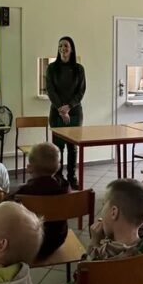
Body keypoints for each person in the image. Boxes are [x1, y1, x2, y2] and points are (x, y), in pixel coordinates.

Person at [10, 142, 70, 259]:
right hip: (58, 239)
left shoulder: (24, 192)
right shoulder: (65, 187)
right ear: (58, 167)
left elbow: (6, 205)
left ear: (29, 168)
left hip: (30, 243)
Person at [46, 36, 87, 188]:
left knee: (72, 146)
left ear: (71, 49)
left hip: (75, 112)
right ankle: (58, 176)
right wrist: (61, 109)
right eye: (60, 46)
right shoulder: (51, 68)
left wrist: (69, 107)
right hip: (56, 112)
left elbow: (81, 91)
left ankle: (71, 176)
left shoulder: (79, 69)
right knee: (57, 147)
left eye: (66, 46)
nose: (63, 49)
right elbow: (50, 90)